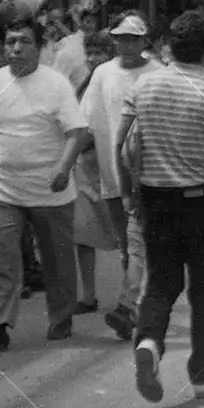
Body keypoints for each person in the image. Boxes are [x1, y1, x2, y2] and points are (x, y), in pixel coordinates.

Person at [120, 13, 204, 402]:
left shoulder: (144, 85)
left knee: (161, 282)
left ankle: (149, 344)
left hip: (155, 200)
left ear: (167, 46)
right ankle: (202, 375)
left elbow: (125, 147)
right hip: (201, 201)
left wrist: (129, 195)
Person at [0, 15, 90, 352]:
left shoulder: (56, 84)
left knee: (57, 262)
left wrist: (63, 168)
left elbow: (78, 131)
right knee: (1, 259)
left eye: (25, 42)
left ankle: (61, 318)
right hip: (2, 191)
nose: (16, 48)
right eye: (10, 42)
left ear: (40, 47)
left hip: (51, 193)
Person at [80, 13, 156, 342]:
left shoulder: (158, 73)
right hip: (113, 176)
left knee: (143, 244)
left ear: (144, 40)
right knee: (127, 246)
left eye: (133, 38)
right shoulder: (103, 73)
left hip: (151, 176)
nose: (126, 44)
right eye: (121, 38)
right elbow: (87, 119)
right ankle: (135, 305)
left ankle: (135, 305)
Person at [69, 31, 120, 319]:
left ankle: (130, 298)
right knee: (83, 236)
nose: (92, 59)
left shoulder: (113, 81)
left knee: (126, 238)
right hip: (86, 172)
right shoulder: (84, 84)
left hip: (111, 171)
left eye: (98, 53)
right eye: (89, 53)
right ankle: (89, 296)